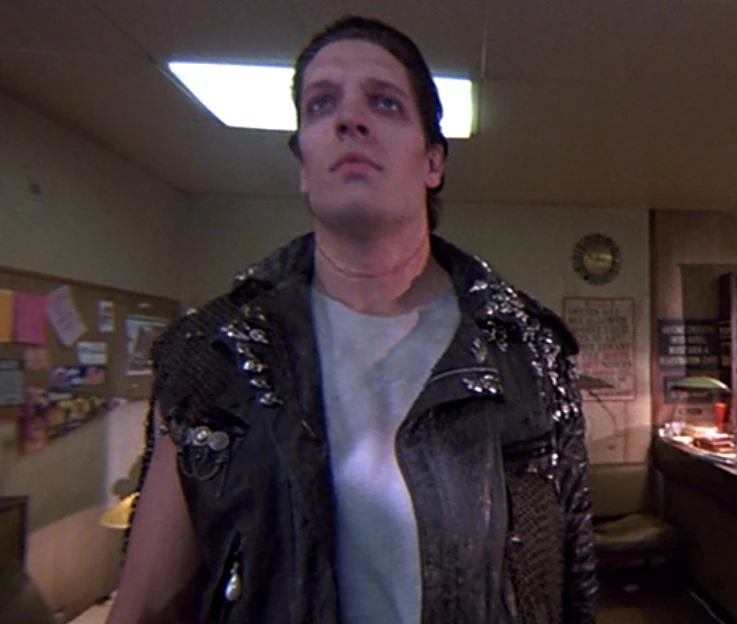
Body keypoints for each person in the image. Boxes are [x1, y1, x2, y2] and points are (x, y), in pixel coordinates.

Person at [107, 15, 596, 624]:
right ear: (303, 166)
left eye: (384, 102)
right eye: (321, 104)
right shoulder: (215, 352)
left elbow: (571, 585)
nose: (349, 119)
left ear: (432, 162)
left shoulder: (525, 348)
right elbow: (146, 605)